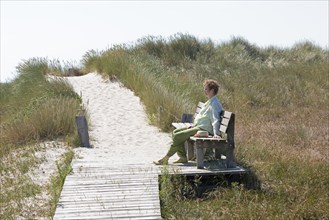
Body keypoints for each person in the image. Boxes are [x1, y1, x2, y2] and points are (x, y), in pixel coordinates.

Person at [154, 79, 223, 165]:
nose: (204, 91)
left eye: (206, 89)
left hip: (204, 130)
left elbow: (215, 119)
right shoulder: (210, 101)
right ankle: (182, 157)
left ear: (212, 90)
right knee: (175, 132)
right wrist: (194, 125)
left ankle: (166, 158)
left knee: (178, 136)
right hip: (199, 127)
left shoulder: (214, 103)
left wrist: (216, 133)